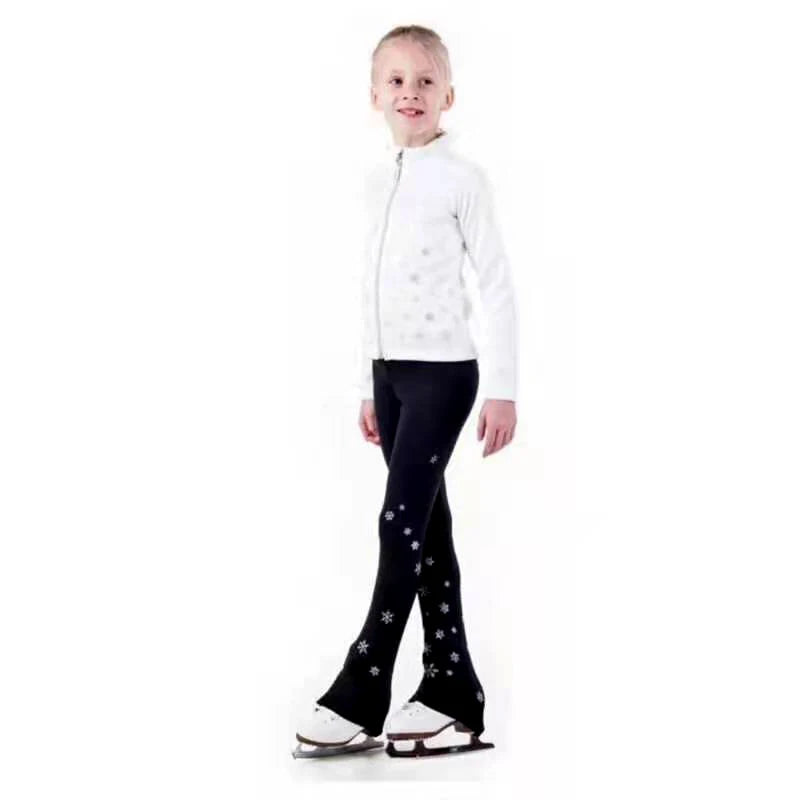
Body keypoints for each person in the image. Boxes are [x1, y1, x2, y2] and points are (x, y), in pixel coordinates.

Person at [293, 24, 518, 760]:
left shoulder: (462, 179)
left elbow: (497, 285)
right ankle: (452, 689)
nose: (410, 93)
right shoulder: (377, 179)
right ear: (374, 96)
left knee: (398, 525)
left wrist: (504, 389)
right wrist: (369, 384)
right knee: (428, 533)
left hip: (444, 376)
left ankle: (362, 689)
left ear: (449, 95)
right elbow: (373, 288)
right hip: (391, 377)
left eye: (425, 81)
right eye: (396, 81)